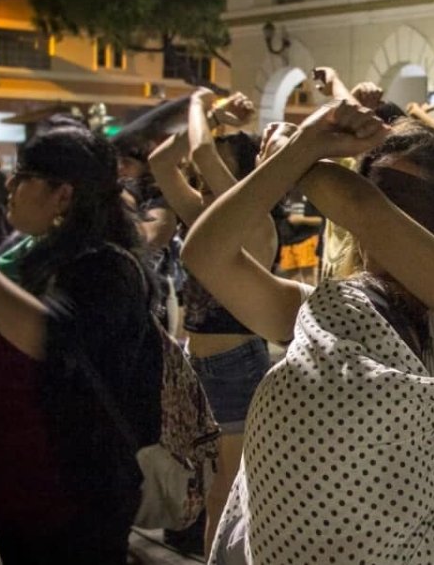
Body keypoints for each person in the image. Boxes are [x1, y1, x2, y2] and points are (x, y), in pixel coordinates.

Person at [182, 72, 434, 564]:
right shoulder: (325, 309)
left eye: (403, 202)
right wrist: (299, 152)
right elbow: (206, 253)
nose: (385, 219)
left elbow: (357, 203)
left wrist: (299, 154)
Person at [0, 124, 163, 563]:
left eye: (24, 175)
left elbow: (48, 335)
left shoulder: (107, 269)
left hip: (75, 499)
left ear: (64, 195)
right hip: (18, 492)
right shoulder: (27, 253)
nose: (8, 185)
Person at [148, 88, 276, 554]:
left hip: (236, 364)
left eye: (219, 167)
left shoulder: (256, 223)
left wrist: (206, 109)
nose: (202, 175)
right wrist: (215, 115)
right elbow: (165, 161)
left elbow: (199, 152)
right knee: (214, 489)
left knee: (227, 490)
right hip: (197, 361)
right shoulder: (204, 215)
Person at [275, 190, 323, 286]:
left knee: (309, 281)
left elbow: (321, 220)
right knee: (293, 282)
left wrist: (301, 220)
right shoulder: (286, 194)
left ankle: (311, 300)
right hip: (287, 242)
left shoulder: (311, 195)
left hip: (306, 240)